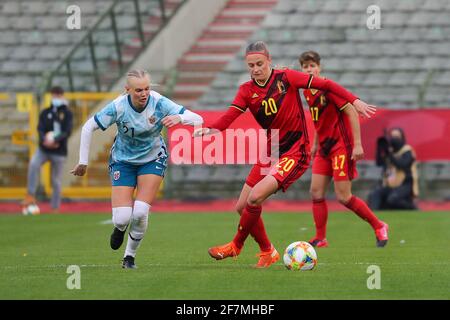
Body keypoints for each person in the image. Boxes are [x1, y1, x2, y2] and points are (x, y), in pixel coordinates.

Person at [194, 41, 379, 268]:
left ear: (269, 60)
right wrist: (208, 129)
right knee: (242, 206)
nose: (255, 69)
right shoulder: (246, 91)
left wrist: (354, 100)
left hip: (295, 149)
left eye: (259, 64)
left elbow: (327, 84)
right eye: (251, 65)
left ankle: (236, 245)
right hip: (272, 150)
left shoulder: (287, 78)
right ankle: (267, 251)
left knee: (254, 198)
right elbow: (227, 119)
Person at [70, 69, 203, 269]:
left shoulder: (158, 102)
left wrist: (180, 119)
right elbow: (89, 127)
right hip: (123, 161)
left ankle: (129, 257)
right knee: (122, 217)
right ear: (128, 90)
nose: (144, 94)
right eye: (139, 90)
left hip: (152, 159)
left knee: (140, 212)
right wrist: (83, 162)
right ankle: (119, 228)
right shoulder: (119, 106)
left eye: (147, 89)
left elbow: (197, 119)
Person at [299, 50, 389, 248]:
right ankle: (320, 238)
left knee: (343, 196)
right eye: (305, 67)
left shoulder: (328, 89)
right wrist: (315, 144)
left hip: (341, 146)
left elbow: (351, 111)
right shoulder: (306, 90)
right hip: (324, 147)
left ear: (319, 67)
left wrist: (357, 144)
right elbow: (318, 120)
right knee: (315, 192)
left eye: (312, 66)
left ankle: (379, 225)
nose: (309, 69)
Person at [22, 86, 73, 214]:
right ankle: (30, 195)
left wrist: (56, 141)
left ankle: (55, 207)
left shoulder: (67, 113)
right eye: (54, 95)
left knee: (56, 180)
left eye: (58, 95)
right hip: (44, 149)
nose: (55, 98)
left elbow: (67, 131)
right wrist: (45, 139)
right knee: (33, 164)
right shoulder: (45, 112)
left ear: (62, 96)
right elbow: (40, 128)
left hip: (59, 151)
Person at [368, 127, 419, 210]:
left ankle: (412, 207)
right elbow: (379, 163)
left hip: (405, 184)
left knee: (393, 199)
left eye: (397, 137)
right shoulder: (389, 150)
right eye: (392, 136)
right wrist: (379, 149)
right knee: (374, 195)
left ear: (402, 138)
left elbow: (402, 164)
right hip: (390, 185)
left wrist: (390, 154)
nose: (394, 139)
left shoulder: (407, 150)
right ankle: (375, 216)